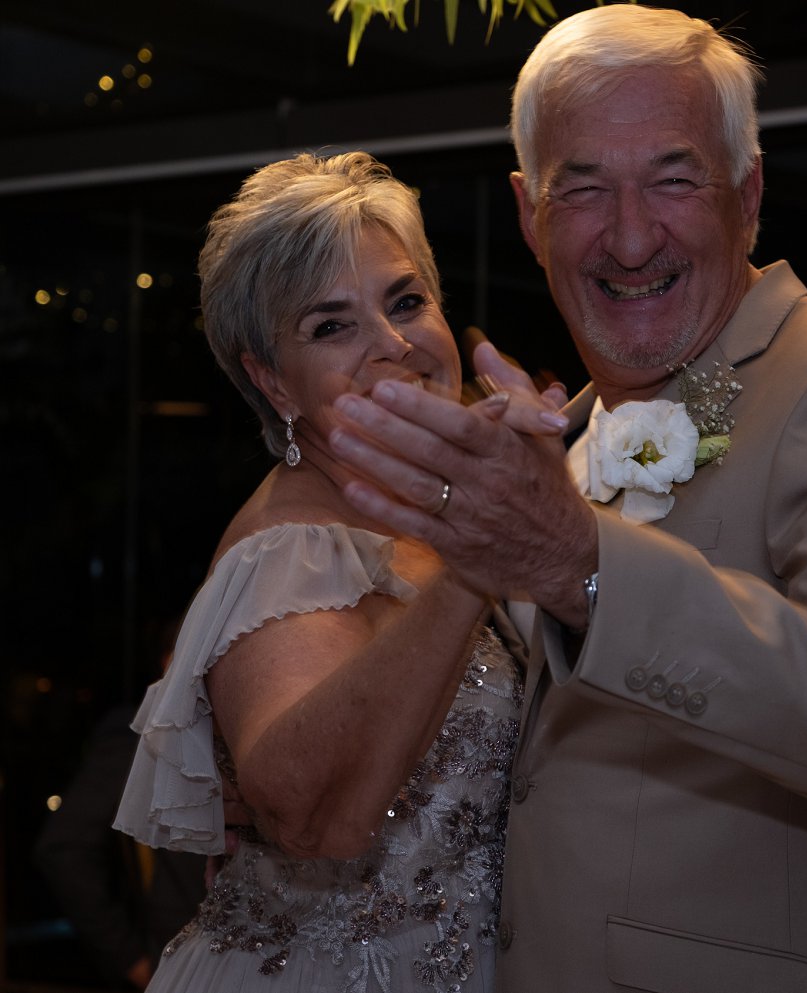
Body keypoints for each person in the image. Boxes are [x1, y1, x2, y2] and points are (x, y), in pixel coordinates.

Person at [325, 6, 807, 991]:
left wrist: (583, 567)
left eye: (675, 180)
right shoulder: (562, 436)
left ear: (748, 195)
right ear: (529, 214)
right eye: (583, 188)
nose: (631, 238)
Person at [112, 150, 564, 993]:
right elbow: (309, 817)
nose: (393, 345)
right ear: (272, 382)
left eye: (407, 302)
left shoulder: (430, 508)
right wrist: (478, 556)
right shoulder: (289, 550)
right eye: (331, 327)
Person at [35, 618, 204, 990]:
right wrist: (131, 959)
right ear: (169, 662)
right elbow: (64, 848)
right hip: (175, 956)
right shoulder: (137, 740)